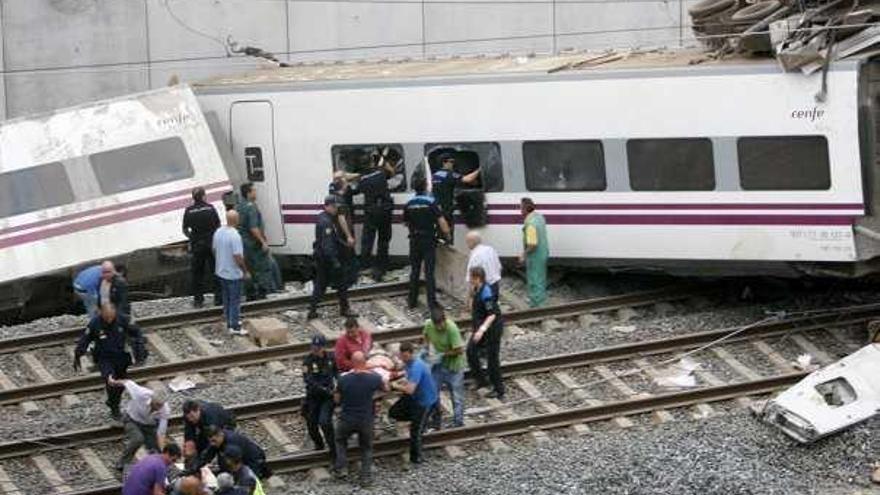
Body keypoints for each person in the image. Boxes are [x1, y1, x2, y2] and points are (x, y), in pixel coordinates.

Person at [74, 303, 147, 419]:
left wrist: (140, 348)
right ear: (101, 313)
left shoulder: (122, 319)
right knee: (111, 381)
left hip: (121, 356)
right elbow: (85, 339)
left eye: (111, 317)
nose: (109, 320)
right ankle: (114, 408)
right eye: (106, 317)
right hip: (104, 358)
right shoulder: (95, 323)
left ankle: (112, 401)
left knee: (121, 384)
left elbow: (136, 332)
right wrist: (78, 353)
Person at [333, 351, 387, 486]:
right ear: (365, 363)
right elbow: (385, 388)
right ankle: (365, 477)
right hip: (366, 419)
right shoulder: (374, 378)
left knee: (340, 440)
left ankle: (342, 468)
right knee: (366, 447)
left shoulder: (343, 379)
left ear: (352, 363)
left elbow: (337, 399)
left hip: (347, 419)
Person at [403, 175, 450, 310]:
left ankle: (411, 301)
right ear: (425, 187)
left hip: (414, 240)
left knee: (415, 270)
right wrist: (447, 235)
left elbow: (405, 222)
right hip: (428, 239)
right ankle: (432, 302)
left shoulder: (409, 203)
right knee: (429, 272)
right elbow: (441, 221)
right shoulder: (431, 202)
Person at [389, 342, 438, 464]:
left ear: (412, 354)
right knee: (394, 412)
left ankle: (416, 458)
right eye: (402, 356)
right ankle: (417, 419)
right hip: (416, 397)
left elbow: (410, 389)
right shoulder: (408, 363)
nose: (404, 359)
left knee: (416, 431)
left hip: (424, 401)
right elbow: (406, 376)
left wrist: (395, 385)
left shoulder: (417, 366)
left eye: (406, 356)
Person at [307, 196, 355, 320]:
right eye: (334, 207)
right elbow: (327, 244)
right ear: (327, 206)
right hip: (328, 259)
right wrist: (335, 262)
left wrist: (345, 245)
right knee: (341, 284)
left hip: (323, 258)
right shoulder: (326, 222)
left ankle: (312, 310)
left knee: (321, 284)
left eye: (336, 207)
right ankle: (345, 309)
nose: (335, 209)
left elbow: (334, 238)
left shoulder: (324, 217)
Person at [109, 378, 171, 471]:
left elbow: (161, 432)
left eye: (160, 405)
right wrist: (114, 382)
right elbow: (128, 382)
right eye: (156, 404)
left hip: (149, 426)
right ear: (152, 399)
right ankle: (123, 462)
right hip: (132, 420)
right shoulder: (141, 394)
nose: (158, 408)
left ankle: (156, 467)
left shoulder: (165, 410)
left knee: (156, 449)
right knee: (138, 439)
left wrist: (161, 449)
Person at [466, 266, 505, 399]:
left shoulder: (486, 292)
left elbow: (492, 314)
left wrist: (481, 331)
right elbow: (473, 308)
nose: (469, 279)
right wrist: (471, 295)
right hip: (481, 327)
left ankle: (499, 389)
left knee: (492, 358)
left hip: (492, 328)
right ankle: (481, 380)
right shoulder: (476, 289)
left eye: (471, 277)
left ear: (477, 278)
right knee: (470, 350)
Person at [422, 307, 465, 428]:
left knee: (456, 396)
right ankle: (435, 420)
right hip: (438, 366)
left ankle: (458, 422)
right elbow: (426, 336)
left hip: (453, 367)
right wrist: (427, 349)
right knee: (432, 392)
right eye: (437, 325)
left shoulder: (452, 329)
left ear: (444, 320)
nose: (439, 328)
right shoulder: (429, 324)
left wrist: (442, 354)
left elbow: (460, 350)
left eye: (441, 324)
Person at [356, 152, 395, 281]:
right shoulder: (381, 173)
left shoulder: (362, 179)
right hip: (385, 210)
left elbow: (359, 189)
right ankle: (382, 267)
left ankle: (365, 266)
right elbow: (392, 172)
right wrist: (383, 163)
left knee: (367, 240)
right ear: (372, 161)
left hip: (371, 211)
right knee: (383, 241)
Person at [183, 187, 222, 308]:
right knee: (215, 271)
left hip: (197, 245)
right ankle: (219, 299)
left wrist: (192, 237)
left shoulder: (188, 211)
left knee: (197, 273)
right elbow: (218, 225)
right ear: (204, 196)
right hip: (211, 244)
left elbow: (185, 229)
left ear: (193, 197)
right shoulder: (210, 208)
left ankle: (198, 300)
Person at [214, 210, 249, 336]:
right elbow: (238, 256)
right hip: (233, 274)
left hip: (221, 271)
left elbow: (214, 249)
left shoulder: (218, 232)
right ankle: (234, 326)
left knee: (226, 299)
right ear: (236, 220)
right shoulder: (235, 236)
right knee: (235, 300)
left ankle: (229, 321)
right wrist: (245, 271)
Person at [302, 334, 337, 463]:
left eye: (318, 347)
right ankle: (319, 446)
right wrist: (326, 390)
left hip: (328, 398)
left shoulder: (331, 358)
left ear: (323, 347)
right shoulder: (307, 362)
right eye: (313, 346)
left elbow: (336, 372)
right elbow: (309, 381)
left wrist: (338, 387)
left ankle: (334, 450)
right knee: (311, 424)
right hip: (314, 397)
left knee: (325, 422)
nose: (315, 349)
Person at [236, 183, 272, 300]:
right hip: (253, 244)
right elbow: (253, 228)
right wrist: (262, 242)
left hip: (243, 243)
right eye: (254, 191)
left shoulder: (239, 206)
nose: (255, 193)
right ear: (248, 193)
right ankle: (261, 293)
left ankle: (250, 294)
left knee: (248, 269)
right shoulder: (251, 207)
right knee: (262, 268)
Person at [431, 152, 480, 238]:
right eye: (451, 162)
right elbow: (467, 179)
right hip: (446, 210)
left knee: (439, 235)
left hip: (436, 210)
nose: (453, 164)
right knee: (447, 236)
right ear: (444, 163)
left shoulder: (434, 176)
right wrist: (480, 169)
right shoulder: (449, 174)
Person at [197, 426, 270, 480]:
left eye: (213, 441)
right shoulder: (218, 440)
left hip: (253, 461)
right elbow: (208, 454)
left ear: (220, 435)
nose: (212, 444)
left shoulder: (231, 444)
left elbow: (231, 464)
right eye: (210, 441)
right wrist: (196, 467)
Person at [519, 197, 549, 307]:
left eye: (521, 208)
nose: (520, 211)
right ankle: (539, 300)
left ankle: (537, 304)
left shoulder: (530, 224)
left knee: (534, 280)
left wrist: (523, 254)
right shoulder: (539, 217)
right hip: (543, 253)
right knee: (541, 278)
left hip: (535, 256)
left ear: (525, 209)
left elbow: (532, 244)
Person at [465, 230, 502, 298]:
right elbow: (499, 267)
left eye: (467, 241)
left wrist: (470, 295)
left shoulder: (475, 255)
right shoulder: (491, 249)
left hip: (482, 289)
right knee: (492, 306)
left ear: (472, 242)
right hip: (494, 285)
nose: (466, 244)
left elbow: (472, 277)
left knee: (481, 308)